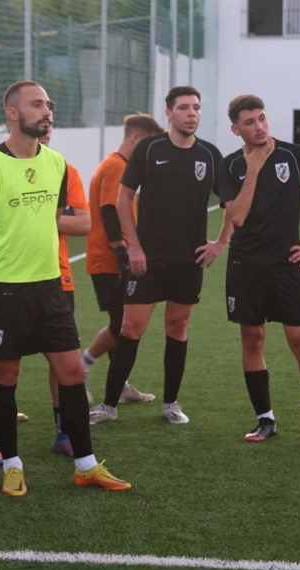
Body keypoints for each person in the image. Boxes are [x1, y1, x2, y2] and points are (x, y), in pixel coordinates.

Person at [0, 80, 131, 497]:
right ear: (13, 113)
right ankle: (12, 466)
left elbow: (53, 219)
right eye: (38, 104)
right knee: (6, 373)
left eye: (49, 104)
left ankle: (86, 465)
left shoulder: (56, 163)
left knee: (71, 372)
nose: (47, 110)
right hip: (4, 292)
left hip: (51, 289)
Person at [218, 94, 300, 449]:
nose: (259, 126)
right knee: (253, 339)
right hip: (245, 267)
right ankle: (265, 420)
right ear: (236, 129)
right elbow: (238, 217)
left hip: (286, 267)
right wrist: (256, 168)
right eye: (250, 122)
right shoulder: (230, 167)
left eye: (262, 118)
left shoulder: (295, 156)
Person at [88, 86, 226, 427]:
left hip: (189, 260)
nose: (191, 113)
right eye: (183, 108)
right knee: (131, 328)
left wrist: (221, 243)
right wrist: (133, 247)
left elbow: (232, 203)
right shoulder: (150, 148)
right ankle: (108, 405)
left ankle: (170, 404)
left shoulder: (209, 154)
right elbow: (123, 199)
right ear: (169, 113)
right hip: (147, 260)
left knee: (177, 326)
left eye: (196, 107)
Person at [80, 113, 163, 406]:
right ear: (136, 139)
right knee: (122, 324)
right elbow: (109, 211)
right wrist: (122, 251)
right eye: (149, 146)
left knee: (122, 322)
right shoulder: (116, 166)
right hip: (110, 261)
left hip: (112, 259)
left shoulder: (119, 165)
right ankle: (82, 365)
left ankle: (121, 384)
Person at [37, 100, 91, 457]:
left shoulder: (64, 170)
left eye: (50, 120)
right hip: (8, 281)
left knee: (62, 363)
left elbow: (83, 224)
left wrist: (36, 219)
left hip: (59, 279)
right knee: (0, 365)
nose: (47, 124)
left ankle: (63, 431)